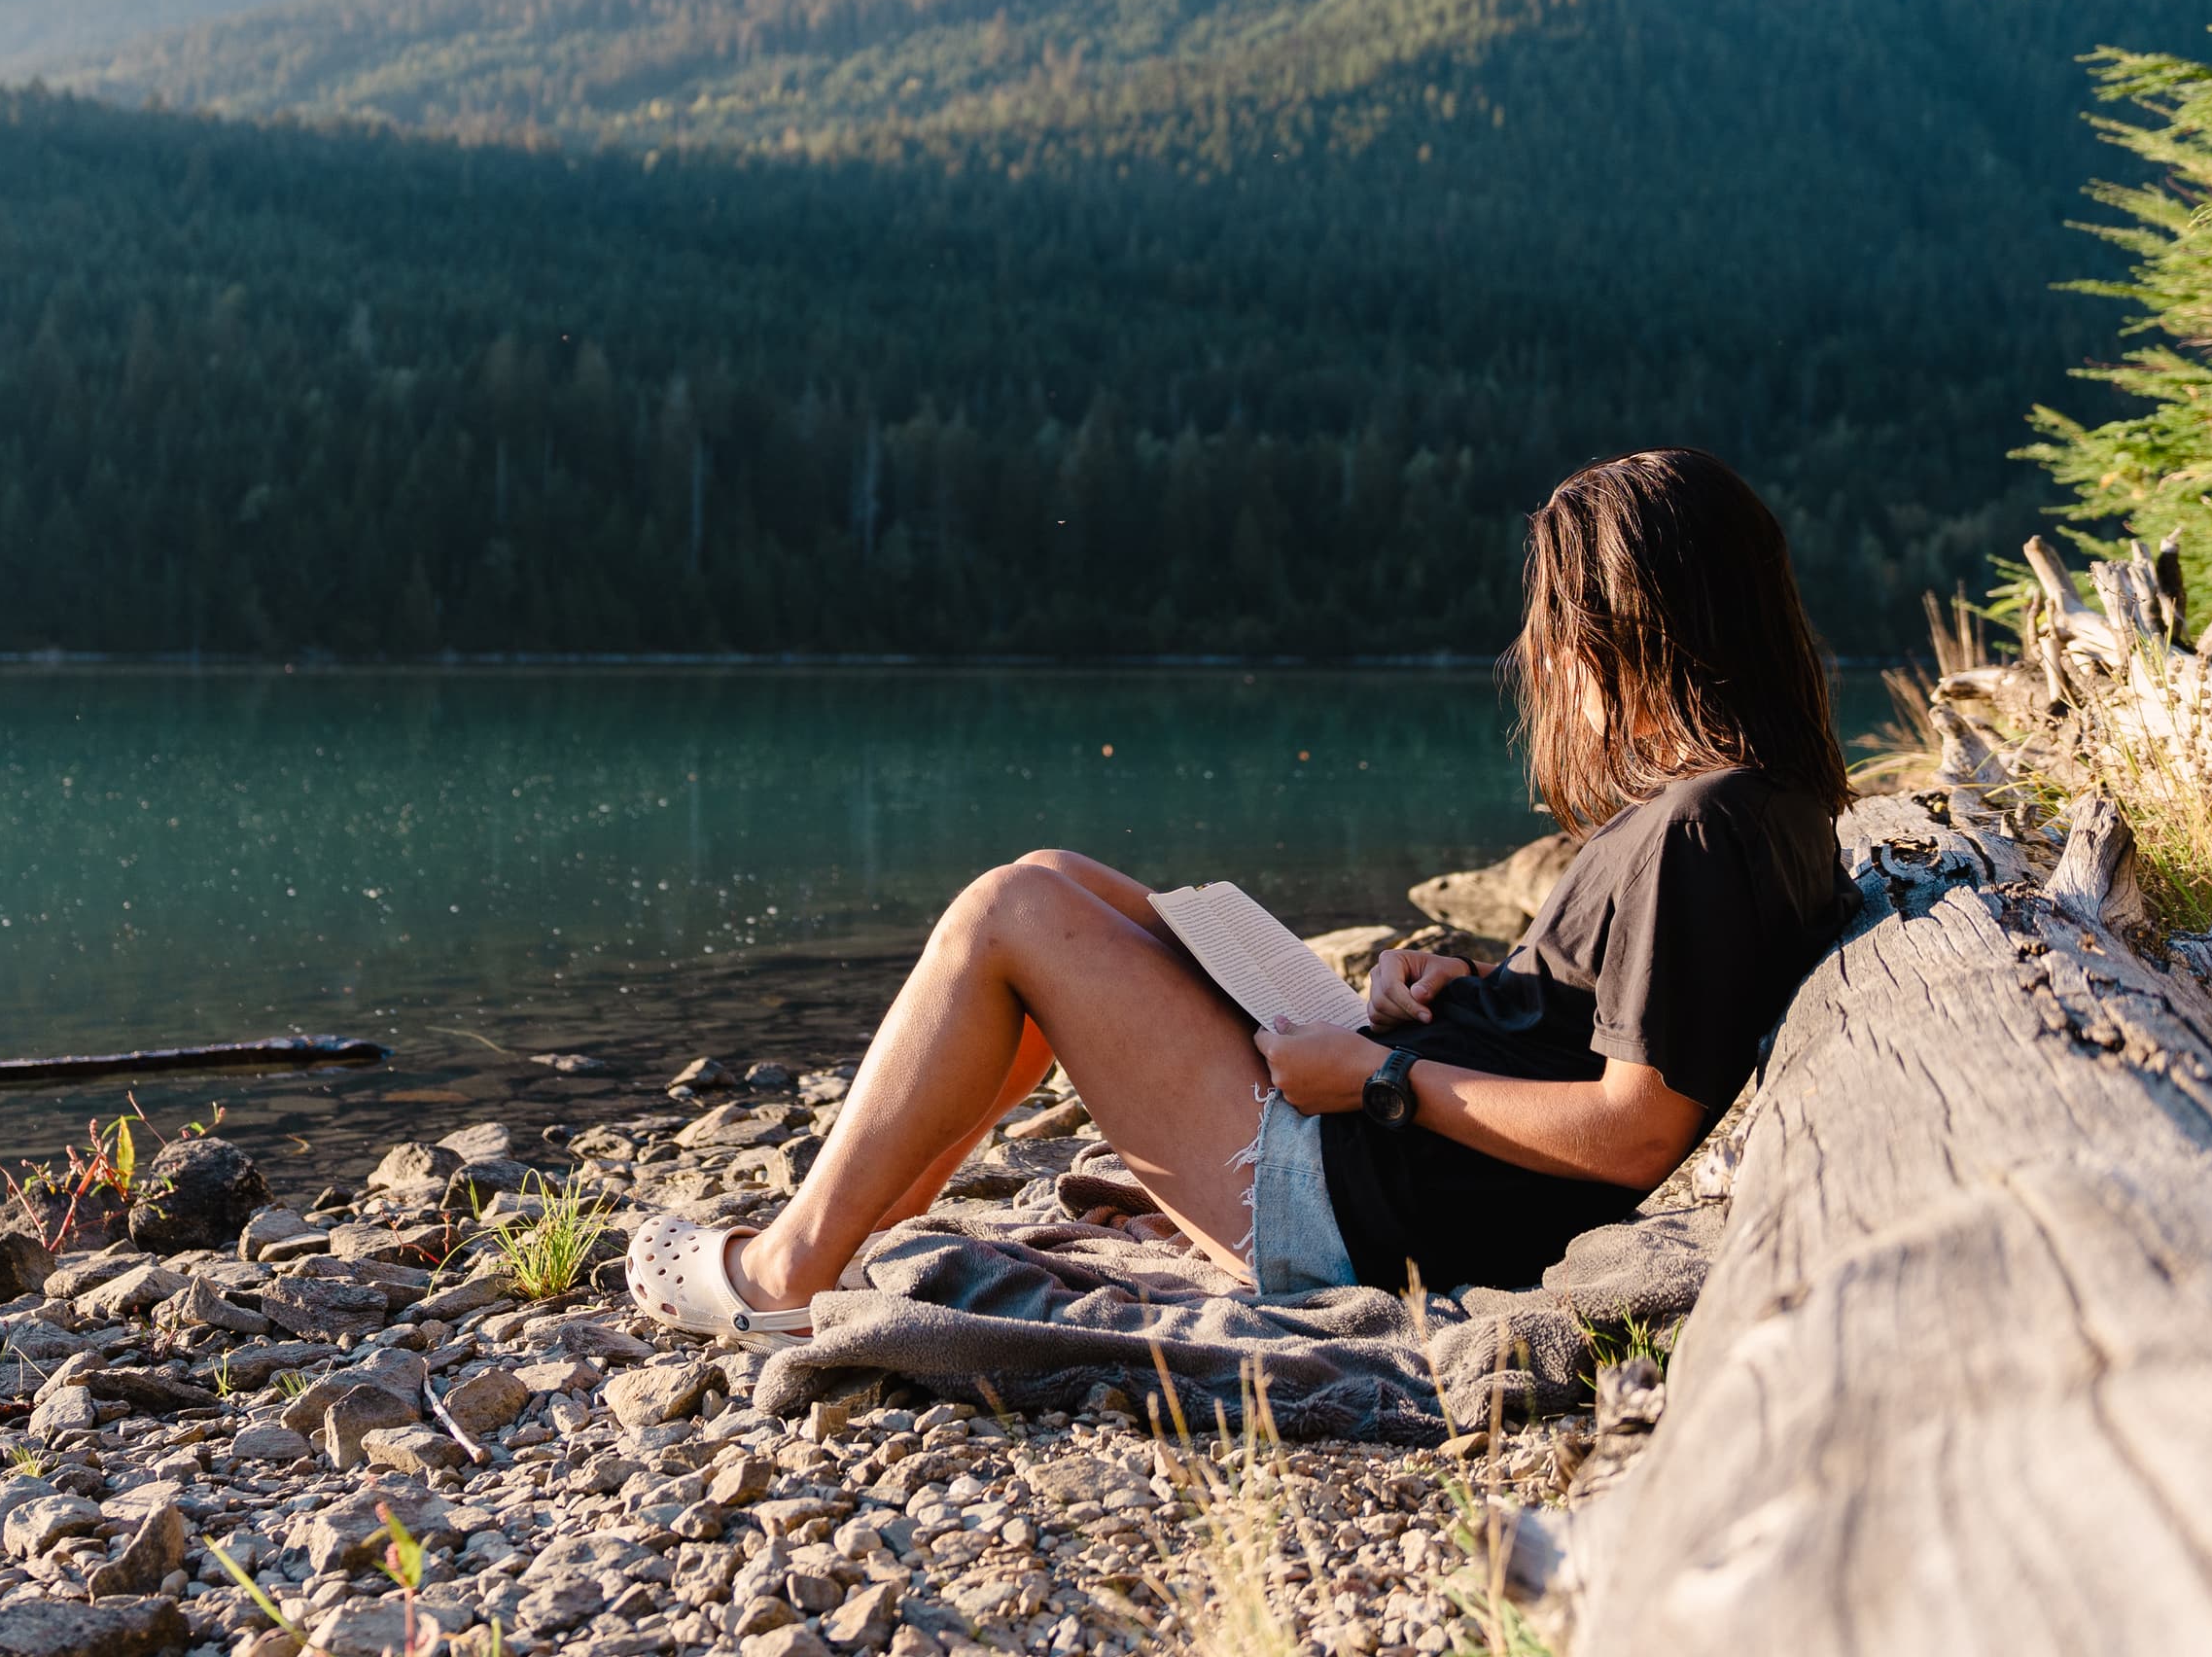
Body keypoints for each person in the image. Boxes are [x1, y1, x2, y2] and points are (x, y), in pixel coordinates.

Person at [623, 446, 1856, 1332]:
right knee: (1062, 878)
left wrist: (1381, 1077)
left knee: (1012, 913)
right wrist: (1470, 988)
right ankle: (861, 1218)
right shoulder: (1757, 809)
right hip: (1387, 1153)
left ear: (1630, 634)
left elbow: (1636, 1123)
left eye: (1559, 631)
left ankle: (788, 1269)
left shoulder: (1703, 827)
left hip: (1364, 1200)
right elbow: (1619, 1021)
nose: (1545, 659)